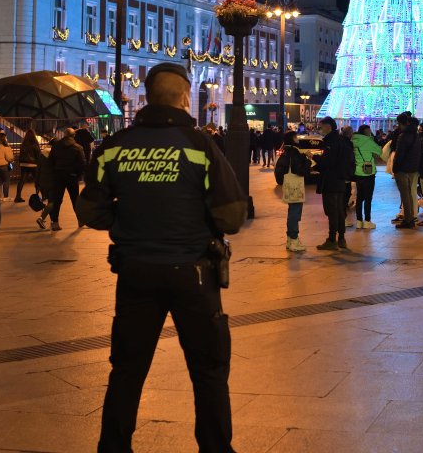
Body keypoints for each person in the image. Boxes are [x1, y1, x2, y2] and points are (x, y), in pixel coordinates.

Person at [77, 62, 245, 453]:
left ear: (149, 97)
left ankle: (114, 446)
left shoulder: (114, 147)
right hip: (194, 272)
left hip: (135, 272)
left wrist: (130, 218)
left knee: (127, 370)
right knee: (208, 371)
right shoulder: (201, 146)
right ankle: (215, 447)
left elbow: (89, 212)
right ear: (186, 97)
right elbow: (232, 215)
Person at [315, 116, 353, 251]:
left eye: (322, 126)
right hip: (341, 180)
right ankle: (341, 238)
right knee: (339, 210)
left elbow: (328, 162)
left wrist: (314, 158)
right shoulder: (342, 140)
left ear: (328, 127)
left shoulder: (331, 142)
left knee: (332, 211)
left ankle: (332, 240)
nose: (320, 129)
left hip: (331, 180)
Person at [275, 131, 312, 251]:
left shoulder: (285, 152)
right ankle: (294, 239)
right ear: (292, 139)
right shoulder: (295, 152)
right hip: (295, 185)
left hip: (288, 184)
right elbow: (300, 170)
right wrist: (308, 160)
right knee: (295, 213)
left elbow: (279, 171)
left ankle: (290, 240)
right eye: (295, 137)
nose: (297, 139)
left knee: (292, 211)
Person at [48, 126, 87, 230]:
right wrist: (77, 175)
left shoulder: (56, 146)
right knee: (75, 199)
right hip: (72, 176)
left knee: (57, 200)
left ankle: (55, 222)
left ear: (64, 135)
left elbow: (50, 161)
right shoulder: (78, 147)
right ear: (74, 135)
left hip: (58, 176)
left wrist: (55, 172)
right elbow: (82, 163)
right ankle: (80, 220)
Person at [391, 112, 421, 229]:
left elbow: (399, 154)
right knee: (410, 194)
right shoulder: (416, 135)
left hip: (402, 168)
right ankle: (411, 217)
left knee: (405, 195)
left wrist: (395, 167)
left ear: (401, 123)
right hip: (413, 168)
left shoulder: (403, 136)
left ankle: (408, 219)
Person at [350, 125, 383, 229]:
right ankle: (367, 221)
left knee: (359, 198)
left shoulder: (353, 141)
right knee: (368, 198)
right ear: (367, 131)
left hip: (358, 172)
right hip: (368, 173)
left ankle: (359, 221)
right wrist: (372, 138)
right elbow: (379, 151)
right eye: (369, 130)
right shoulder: (368, 141)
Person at [15, 128, 41, 203]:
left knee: (22, 181)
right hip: (33, 165)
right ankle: (37, 196)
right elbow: (38, 155)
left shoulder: (23, 144)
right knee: (37, 181)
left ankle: (18, 196)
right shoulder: (35, 144)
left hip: (23, 164)